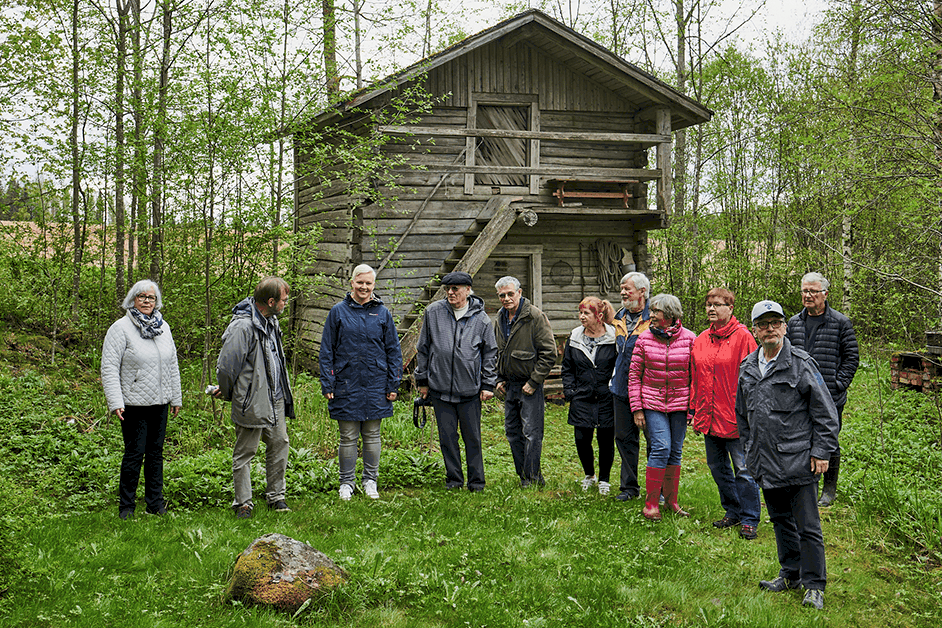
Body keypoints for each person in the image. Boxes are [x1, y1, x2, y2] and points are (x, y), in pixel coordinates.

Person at [737, 300, 839, 611]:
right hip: (765, 461)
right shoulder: (747, 368)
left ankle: (814, 585)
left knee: (807, 526)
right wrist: (750, 452)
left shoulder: (801, 364)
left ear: (784, 326)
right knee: (780, 521)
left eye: (775, 322)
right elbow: (743, 416)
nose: (770, 328)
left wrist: (822, 451)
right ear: (755, 329)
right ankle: (790, 573)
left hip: (798, 459)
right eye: (763, 323)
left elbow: (826, 413)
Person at [320, 264, 402, 501]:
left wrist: (393, 384)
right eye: (360, 282)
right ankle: (346, 483)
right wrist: (328, 382)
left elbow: (393, 351)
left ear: (373, 285)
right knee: (347, 436)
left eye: (368, 283)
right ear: (352, 283)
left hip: (376, 382)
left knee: (373, 435)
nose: (364, 287)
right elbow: (327, 350)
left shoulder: (383, 313)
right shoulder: (338, 312)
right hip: (346, 383)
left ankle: (370, 481)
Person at [101, 280, 182, 520]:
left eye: (151, 298)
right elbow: (109, 367)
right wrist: (116, 401)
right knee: (134, 454)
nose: (147, 301)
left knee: (156, 454)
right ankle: (126, 508)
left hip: (160, 402)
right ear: (132, 299)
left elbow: (173, 364)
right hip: (133, 404)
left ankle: (155, 504)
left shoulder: (163, 327)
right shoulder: (120, 328)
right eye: (142, 297)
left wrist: (175, 397)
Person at [216, 276, 295, 518]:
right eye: (283, 300)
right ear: (271, 301)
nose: (286, 303)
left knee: (280, 443)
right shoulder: (243, 326)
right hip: (252, 400)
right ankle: (243, 503)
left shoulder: (271, 321)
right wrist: (231, 394)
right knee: (245, 452)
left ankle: (276, 496)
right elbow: (227, 368)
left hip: (276, 398)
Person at [415, 271, 498, 492]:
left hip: (469, 390)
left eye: (455, 289)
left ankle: (476, 482)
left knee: (473, 439)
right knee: (447, 438)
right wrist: (422, 380)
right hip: (439, 388)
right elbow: (423, 348)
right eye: (447, 289)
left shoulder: (481, 318)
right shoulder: (433, 312)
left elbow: (490, 353)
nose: (450, 293)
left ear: (468, 290)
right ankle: (454, 480)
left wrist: (488, 384)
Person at [691, 288, 761, 540]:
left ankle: (750, 518)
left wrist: (751, 413)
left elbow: (754, 379)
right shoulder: (700, 339)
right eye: (708, 304)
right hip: (708, 416)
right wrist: (694, 408)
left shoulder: (743, 338)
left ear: (730, 308)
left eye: (718, 304)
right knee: (717, 467)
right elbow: (696, 378)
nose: (711, 308)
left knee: (743, 469)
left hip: (735, 417)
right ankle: (733, 511)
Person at [786, 272, 859, 507]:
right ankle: (805, 484)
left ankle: (829, 489)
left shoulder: (840, 322)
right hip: (800, 396)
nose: (807, 296)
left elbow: (851, 358)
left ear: (825, 294)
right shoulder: (794, 323)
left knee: (829, 440)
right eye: (804, 291)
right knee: (800, 438)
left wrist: (838, 384)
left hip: (830, 396)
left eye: (813, 292)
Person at [629, 293, 695, 521]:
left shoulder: (689, 339)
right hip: (652, 403)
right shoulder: (644, 339)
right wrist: (637, 408)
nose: (651, 316)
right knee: (661, 448)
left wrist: (692, 407)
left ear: (670, 314)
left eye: (656, 311)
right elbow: (634, 375)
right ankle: (651, 504)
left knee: (675, 451)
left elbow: (694, 376)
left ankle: (671, 501)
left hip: (680, 404)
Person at [493, 276, 557, 488]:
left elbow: (549, 353)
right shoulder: (500, 318)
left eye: (510, 294)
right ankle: (524, 476)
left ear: (520, 293)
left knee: (531, 433)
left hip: (529, 386)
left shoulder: (535, 316)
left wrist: (534, 381)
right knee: (513, 433)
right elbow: (498, 352)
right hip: (509, 385)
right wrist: (499, 378)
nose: (506, 298)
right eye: (502, 295)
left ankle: (533, 477)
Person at [561, 297, 617, 494]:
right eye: (580, 312)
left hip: (606, 397)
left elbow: (619, 367)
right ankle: (589, 475)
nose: (581, 317)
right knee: (582, 438)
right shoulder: (575, 337)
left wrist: (614, 389)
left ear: (599, 316)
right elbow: (567, 367)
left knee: (606, 440)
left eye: (586, 313)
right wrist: (570, 391)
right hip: (581, 397)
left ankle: (604, 480)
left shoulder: (614, 337)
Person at [609, 272, 652, 501]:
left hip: (648, 391)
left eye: (628, 289)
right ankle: (629, 488)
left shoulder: (654, 318)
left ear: (642, 292)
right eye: (622, 289)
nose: (623, 293)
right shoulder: (620, 316)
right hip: (620, 389)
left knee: (654, 441)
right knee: (624, 438)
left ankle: (658, 491)